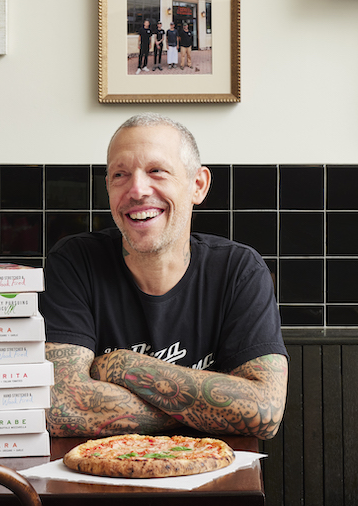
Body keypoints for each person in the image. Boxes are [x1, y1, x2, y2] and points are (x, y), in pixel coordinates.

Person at [42, 113, 289, 440]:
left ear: (197, 185)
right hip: (98, 477)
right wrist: (206, 410)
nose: (137, 189)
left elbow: (263, 412)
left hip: (212, 477)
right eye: (120, 174)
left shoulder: (239, 270)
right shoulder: (74, 262)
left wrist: (121, 365)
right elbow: (60, 407)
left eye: (156, 171)